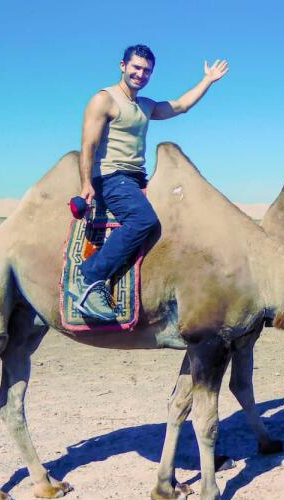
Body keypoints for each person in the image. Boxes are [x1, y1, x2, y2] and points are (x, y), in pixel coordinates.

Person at [71, 44, 228, 321]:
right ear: (123, 65)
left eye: (146, 70)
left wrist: (208, 80)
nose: (140, 74)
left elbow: (181, 106)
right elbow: (88, 144)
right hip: (110, 176)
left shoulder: (144, 106)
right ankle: (89, 278)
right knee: (143, 222)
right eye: (136, 67)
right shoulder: (104, 99)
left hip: (136, 177)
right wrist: (86, 184)